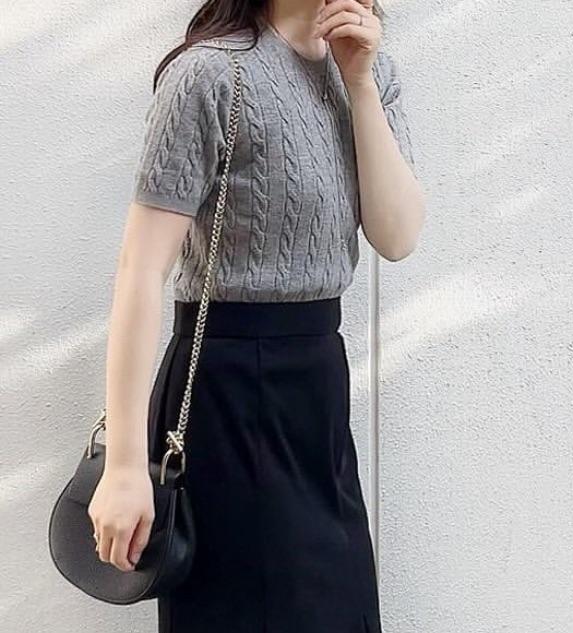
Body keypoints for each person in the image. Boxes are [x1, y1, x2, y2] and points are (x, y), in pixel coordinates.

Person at [88, 0, 426, 631]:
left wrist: (359, 84)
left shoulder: (370, 69)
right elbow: (140, 270)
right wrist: (126, 465)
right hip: (227, 387)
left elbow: (397, 234)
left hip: (318, 388)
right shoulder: (210, 75)